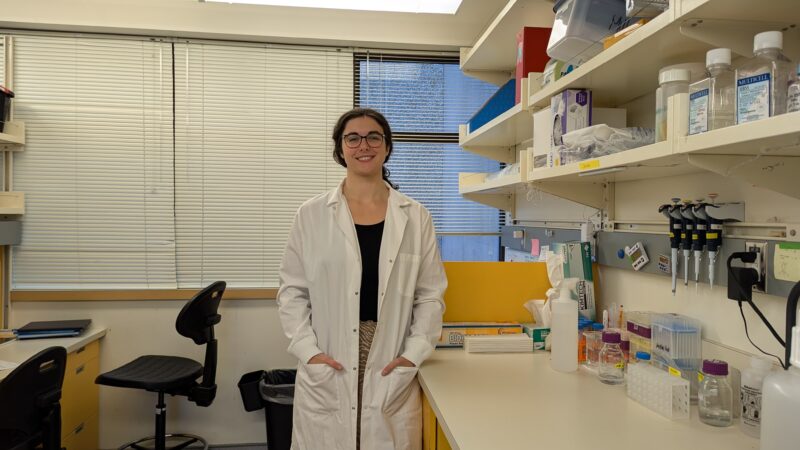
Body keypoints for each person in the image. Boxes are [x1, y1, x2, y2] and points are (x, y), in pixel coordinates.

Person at [277, 107, 447, 450]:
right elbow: (292, 292)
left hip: (389, 354)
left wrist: (413, 353)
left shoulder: (416, 217)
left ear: (387, 147)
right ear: (340, 149)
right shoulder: (311, 215)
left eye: (374, 137)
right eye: (352, 138)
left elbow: (429, 296)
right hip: (331, 353)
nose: (363, 145)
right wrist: (309, 353)